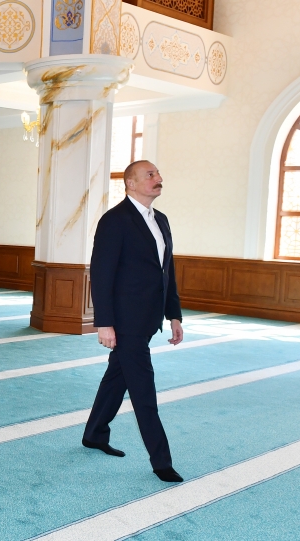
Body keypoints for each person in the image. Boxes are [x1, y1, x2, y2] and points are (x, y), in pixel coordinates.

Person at [82, 160, 185, 483]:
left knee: (117, 377)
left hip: (148, 318)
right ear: (130, 183)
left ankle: (95, 433)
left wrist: (174, 314)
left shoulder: (161, 220)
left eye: (158, 173)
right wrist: (104, 323)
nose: (159, 178)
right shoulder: (115, 220)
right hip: (125, 322)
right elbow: (101, 274)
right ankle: (161, 461)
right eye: (150, 175)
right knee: (143, 390)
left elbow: (166, 271)